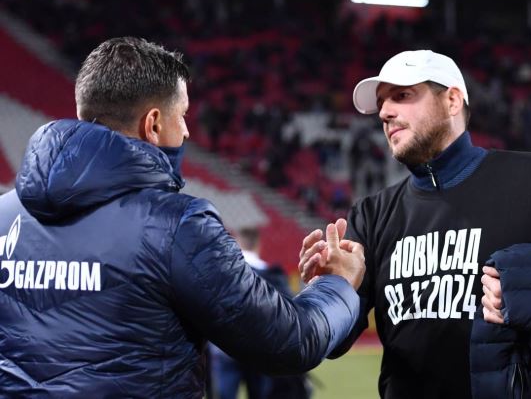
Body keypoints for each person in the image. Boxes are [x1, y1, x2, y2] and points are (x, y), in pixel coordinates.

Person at [0, 37, 365, 398]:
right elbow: (288, 343)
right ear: (154, 124)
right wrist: (337, 284)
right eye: (183, 115)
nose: (187, 131)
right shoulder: (177, 226)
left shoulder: (4, 215)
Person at [298, 49, 531, 398]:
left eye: (401, 96)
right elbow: (332, 341)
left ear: (452, 100)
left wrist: (528, 294)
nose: (385, 112)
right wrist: (330, 289)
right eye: (381, 104)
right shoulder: (372, 215)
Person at [209, 227, 311, 399]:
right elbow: (288, 315)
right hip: (259, 349)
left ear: (236, 243)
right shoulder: (272, 276)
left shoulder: (219, 272)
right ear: (258, 244)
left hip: (224, 347)